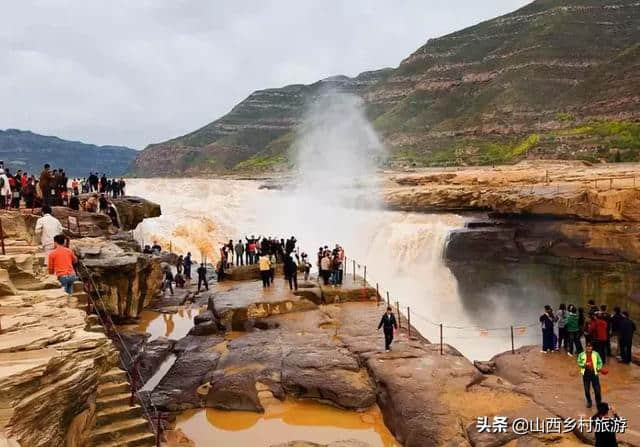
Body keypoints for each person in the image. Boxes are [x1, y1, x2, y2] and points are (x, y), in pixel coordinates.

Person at [577, 342, 603, 408]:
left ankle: (598, 402)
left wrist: (599, 367)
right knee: (586, 389)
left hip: (594, 373)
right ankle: (589, 402)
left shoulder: (596, 354)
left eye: (590, 346)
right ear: (585, 347)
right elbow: (579, 363)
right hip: (585, 374)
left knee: (597, 390)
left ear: (592, 347)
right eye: (588, 346)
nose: (589, 348)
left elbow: (600, 362)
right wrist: (584, 365)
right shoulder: (581, 355)